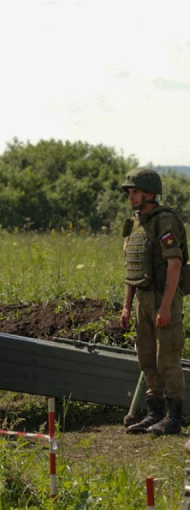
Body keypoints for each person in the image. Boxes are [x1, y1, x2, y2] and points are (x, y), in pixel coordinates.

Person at [120, 167, 187, 436]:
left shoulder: (164, 220)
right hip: (142, 299)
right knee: (147, 358)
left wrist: (166, 306)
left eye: (134, 191)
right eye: (129, 192)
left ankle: (173, 419)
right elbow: (131, 269)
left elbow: (175, 264)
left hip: (163, 297)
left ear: (149, 193)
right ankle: (154, 413)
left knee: (167, 358)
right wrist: (126, 306)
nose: (130, 197)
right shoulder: (136, 224)